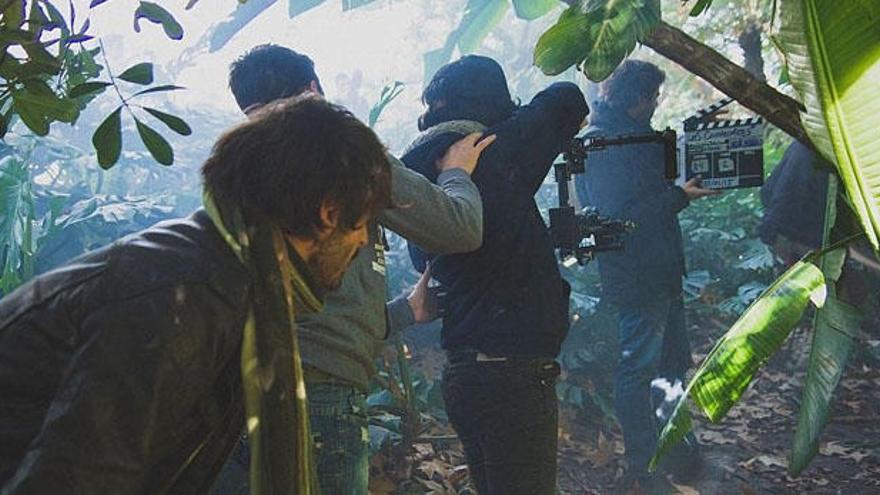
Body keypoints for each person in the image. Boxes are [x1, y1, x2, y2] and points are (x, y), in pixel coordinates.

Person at [0, 96, 392, 493]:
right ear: (330, 211)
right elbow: (79, 480)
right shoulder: (184, 293)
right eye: (366, 222)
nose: (362, 239)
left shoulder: (221, 275)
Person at [215, 44, 493, 494]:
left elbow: (303, 301)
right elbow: (458, 229)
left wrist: (404, 311)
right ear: (313, 92)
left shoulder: (237, 175)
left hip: (234, 395)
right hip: (318, 396)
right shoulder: (342, 152)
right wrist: (456, 172)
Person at [402, 55, 589, 495]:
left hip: (466, 373)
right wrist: (507, 122)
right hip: (513, 375)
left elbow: (419, 259)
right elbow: (567, 99)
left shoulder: (419, 176)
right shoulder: (495, 147)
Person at [573, 60, 718, 493]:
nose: (656, 103)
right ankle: (644, 465)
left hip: (659, 272)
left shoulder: (627, 138)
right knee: (639, 369)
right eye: (653, 96)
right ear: (637, 99)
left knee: (670, 366)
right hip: (638, 275)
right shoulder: (601, 143)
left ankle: (679, 453)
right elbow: (617, 217)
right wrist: (677, 196)